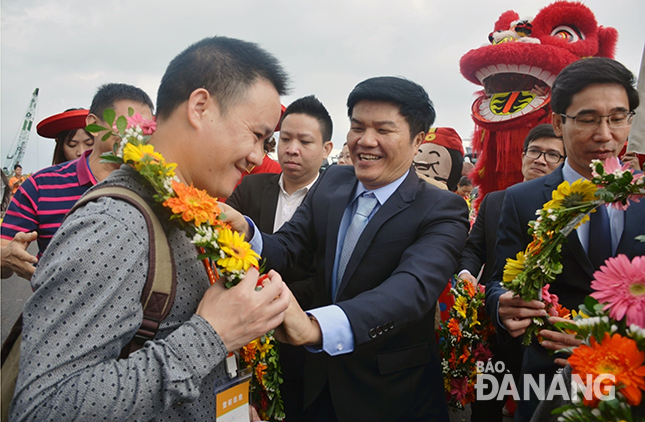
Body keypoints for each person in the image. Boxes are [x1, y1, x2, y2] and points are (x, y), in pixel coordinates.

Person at [10, 36, 290, 422]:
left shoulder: (190, 210)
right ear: (200, 107)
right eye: (257, 136)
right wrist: (210, 335)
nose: (259, 157)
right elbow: (45, 408)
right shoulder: (114, 226)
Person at [226, 76, 470, 421]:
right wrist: (246, 231)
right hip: (316, 384)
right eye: (357, 127)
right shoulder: (333, 182)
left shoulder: (442, 208)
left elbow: (411, 288)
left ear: (417, 140)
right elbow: (291, 246)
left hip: (392, 394)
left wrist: (317, 327)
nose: (366, 141)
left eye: (383, 130)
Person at [485, 57, 645, 421]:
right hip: (548, 381)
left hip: (633, 381)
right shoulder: (522, 199)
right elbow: (498, 280)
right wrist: (501, 305)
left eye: (618, 118)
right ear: (558, 122)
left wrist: (605, 341)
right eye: (588, 119)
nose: (605, 135)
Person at [227, 94, 333, 421]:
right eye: (285, 139)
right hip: (247, 337)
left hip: (307, 338)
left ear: (327, 149)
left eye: (305, 141)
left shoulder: (337, 200)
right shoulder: (249, 190)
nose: (292, 149)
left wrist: (269, 298)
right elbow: (228, 252)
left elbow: (325, 275)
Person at [457, 123, 564, 422]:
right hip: (498, 330)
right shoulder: (495, 201)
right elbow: (474, 249)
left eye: (553, 155)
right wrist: (466, 273)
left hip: (549, 333)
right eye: (535, 151)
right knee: (486, 408)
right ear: (522, 156)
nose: (541, 160)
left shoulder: (573, 206)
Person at [1, 83, 154, 280]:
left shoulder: (159, 186)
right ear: (94, 124)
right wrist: (6, 257)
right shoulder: (40, 186)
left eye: (145, 129)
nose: (136, 136)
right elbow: (5, 250)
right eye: (127, 125)